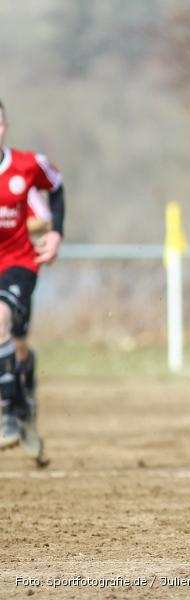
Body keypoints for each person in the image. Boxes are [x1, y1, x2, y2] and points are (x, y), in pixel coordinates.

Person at [0, 99, 64, 466]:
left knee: (5, 328)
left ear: (5, 126)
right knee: (14, 345)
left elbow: (48, 204)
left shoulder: (25, 167)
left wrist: (54, 234)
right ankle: (22, 408)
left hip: (19, 262)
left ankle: (13, 413)